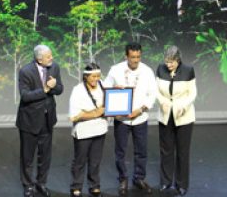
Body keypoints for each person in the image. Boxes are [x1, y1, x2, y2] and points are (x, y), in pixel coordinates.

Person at [102, 43, 157, 195]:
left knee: (141, 150)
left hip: (140, 117)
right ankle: (123, 179)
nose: (136, 60)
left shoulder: (147, 71)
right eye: (133, 57)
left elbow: (152, 94)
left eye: (138, 57)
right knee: (120, 151)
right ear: (126, 56)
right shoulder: (116, 69)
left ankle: (139, 178)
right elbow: (105, 88)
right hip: (121, 119)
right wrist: (114, 89)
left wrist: (140, 110)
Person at [17, 44, 65, 197]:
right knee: (27, 156)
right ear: (39, 59)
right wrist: (45, 89)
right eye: (48, 56)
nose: (52, 58)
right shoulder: (26, 71)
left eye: (51, 55)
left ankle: (41, 183)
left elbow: (60, 89)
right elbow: (25, 96)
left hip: (47, 118)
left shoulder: (54, 67)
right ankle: (28, 185)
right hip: (30, 119)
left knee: (45, 155)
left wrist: (54, 85)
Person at [155, 46, 197, 196]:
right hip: (166, 115)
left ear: (178, 59)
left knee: (182, 152)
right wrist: (162, 102)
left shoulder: (188, 70)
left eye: (171, 62)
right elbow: (156, 90)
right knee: (166, 151)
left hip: (183, 116)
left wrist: (184, 106)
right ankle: (165, 182)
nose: (168, 65)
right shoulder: (160, 69)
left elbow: (192, 93)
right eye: (167, 62)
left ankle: (181, 184)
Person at [68, 62, 107, 197]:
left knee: (95, 161)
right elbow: (74, 116)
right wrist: (96, 112)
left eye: (98, 76)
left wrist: (87, 112)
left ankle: (94, 185)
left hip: (100, 130)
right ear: (85, 77)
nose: (96, 79)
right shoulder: (78, 90)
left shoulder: (103, 86)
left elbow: (110, 105)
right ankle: (76, 186)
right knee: (80, 161)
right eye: (93, 77)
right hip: (83, 131)